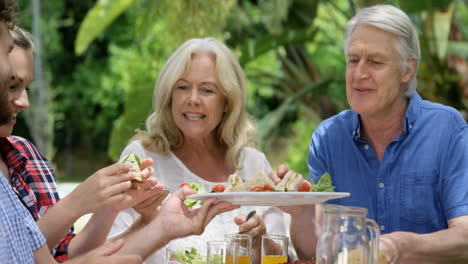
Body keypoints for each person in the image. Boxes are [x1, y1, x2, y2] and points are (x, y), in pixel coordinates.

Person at [270, 4, 468, 264]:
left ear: (407, 70)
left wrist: (400, 246)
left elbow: (464, 238)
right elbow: (314, 251)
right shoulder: (328, 137)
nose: (359, 74)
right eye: (353, 60)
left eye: (375, 62)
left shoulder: (447, 129)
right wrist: (300, 211)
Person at [108, 37, 289, 263]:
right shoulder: (143, 158)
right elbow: (109, 253)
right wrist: (150, 225)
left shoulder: (253, 163)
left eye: (207, 90)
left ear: (227, 103)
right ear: (170, 96)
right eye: (182, 87)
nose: (193, 99)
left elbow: (282, 257)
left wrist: (259, 241)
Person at [2, 25, 167, 261]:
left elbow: (63, 255)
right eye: (12, 86)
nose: (24, 101)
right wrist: (76, 202)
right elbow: (15, 254)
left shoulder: (26, 155)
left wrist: (109, 204)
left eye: (27, 87)